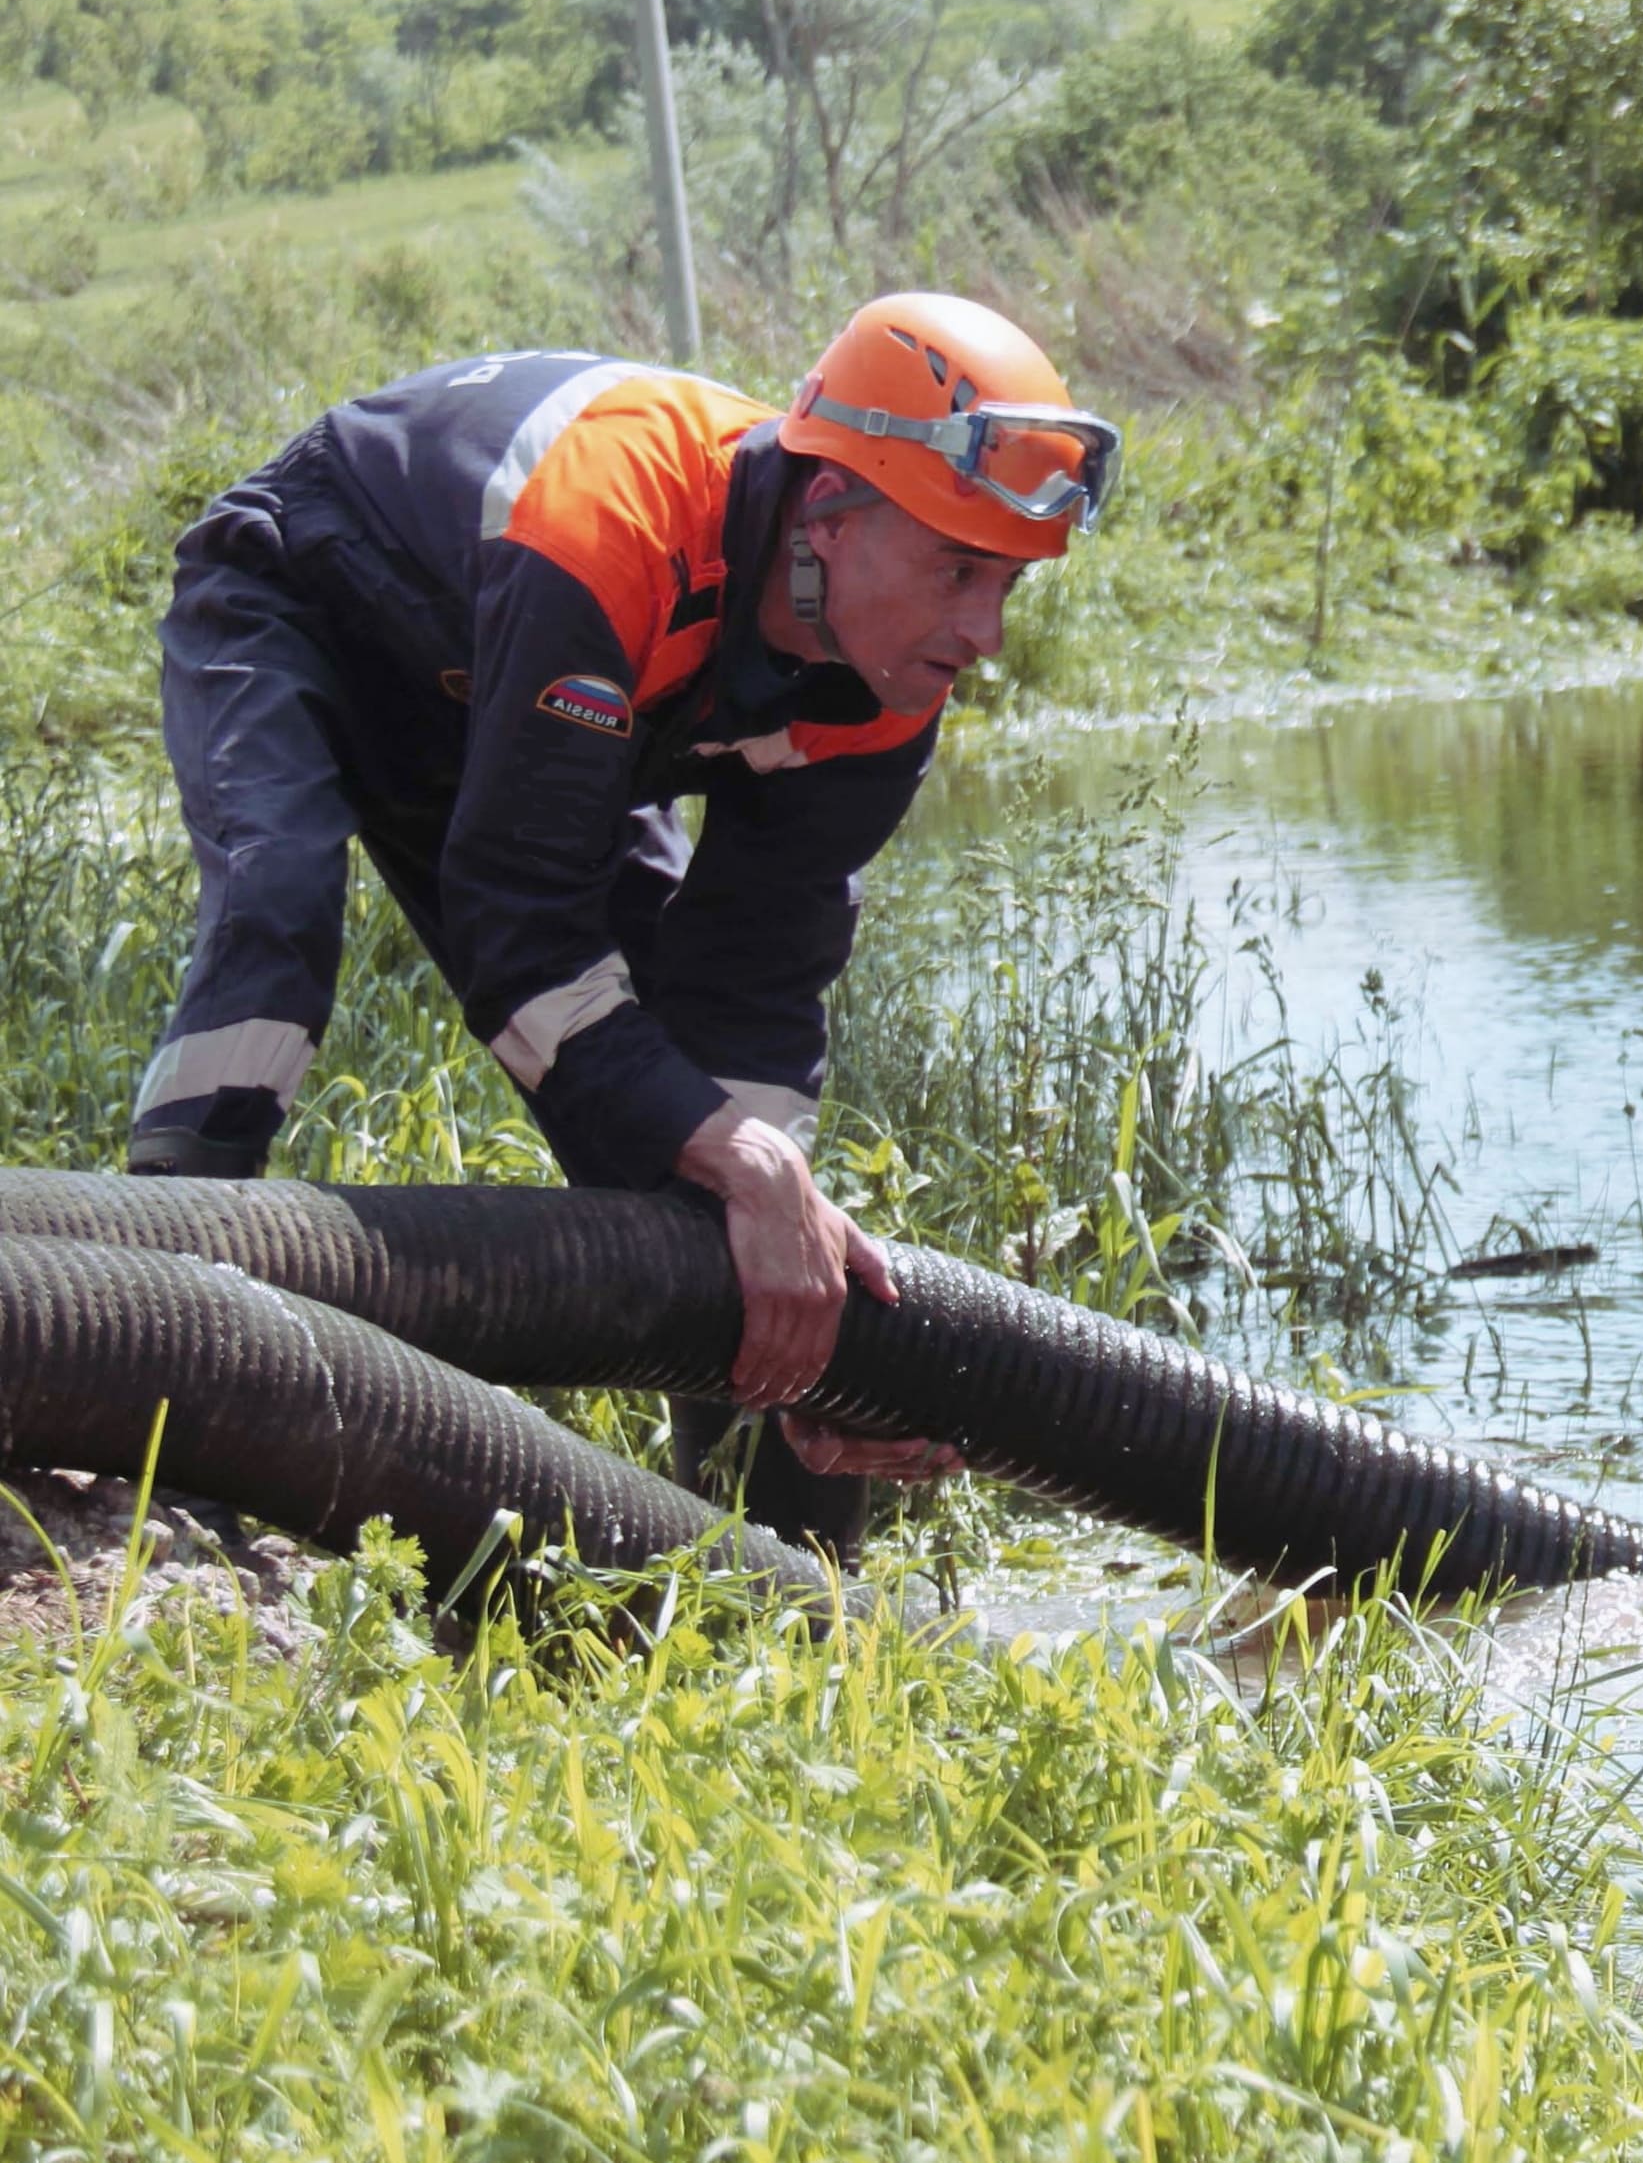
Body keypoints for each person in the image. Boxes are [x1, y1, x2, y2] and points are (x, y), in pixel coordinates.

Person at [122, 292, 1117, 1556]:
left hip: (512, 690)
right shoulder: (618, 518)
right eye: (957, 570)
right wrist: (745, 1169)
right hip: (309, 601)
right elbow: (518, 938)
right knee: (279, 918)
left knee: (695, 1113)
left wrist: (797, 1302)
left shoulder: (885, 673)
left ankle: (765, 1564)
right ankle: (138, 1350)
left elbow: (759, 978)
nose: (984, 635)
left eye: (1009, 584)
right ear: (828, 515)